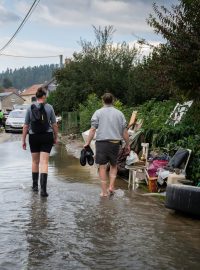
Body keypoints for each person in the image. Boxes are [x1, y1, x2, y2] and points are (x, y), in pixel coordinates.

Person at [84, 93, 130, 197]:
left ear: (103, 101)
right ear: (113, 101)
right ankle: (111, 187)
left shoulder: (98, 113)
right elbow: (124, 131)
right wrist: (128, 144)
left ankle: (104, 192)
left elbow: (92, 129)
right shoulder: (119, 114)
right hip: (115, 143)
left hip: (102, 143)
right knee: (114, 165)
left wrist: (87, 142)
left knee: (102, 167)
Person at [22, 87, 58, 197]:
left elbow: (26, 125)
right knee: (44, 163)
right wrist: (55, 137)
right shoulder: (49, 107)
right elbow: (54, 124)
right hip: (47, 136)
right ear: (44, 96)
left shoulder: (30, 108)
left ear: (36, 97)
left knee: (35, 162)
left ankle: (35, 187)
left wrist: (23, 140)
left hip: (34, 136)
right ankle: (43, 190)